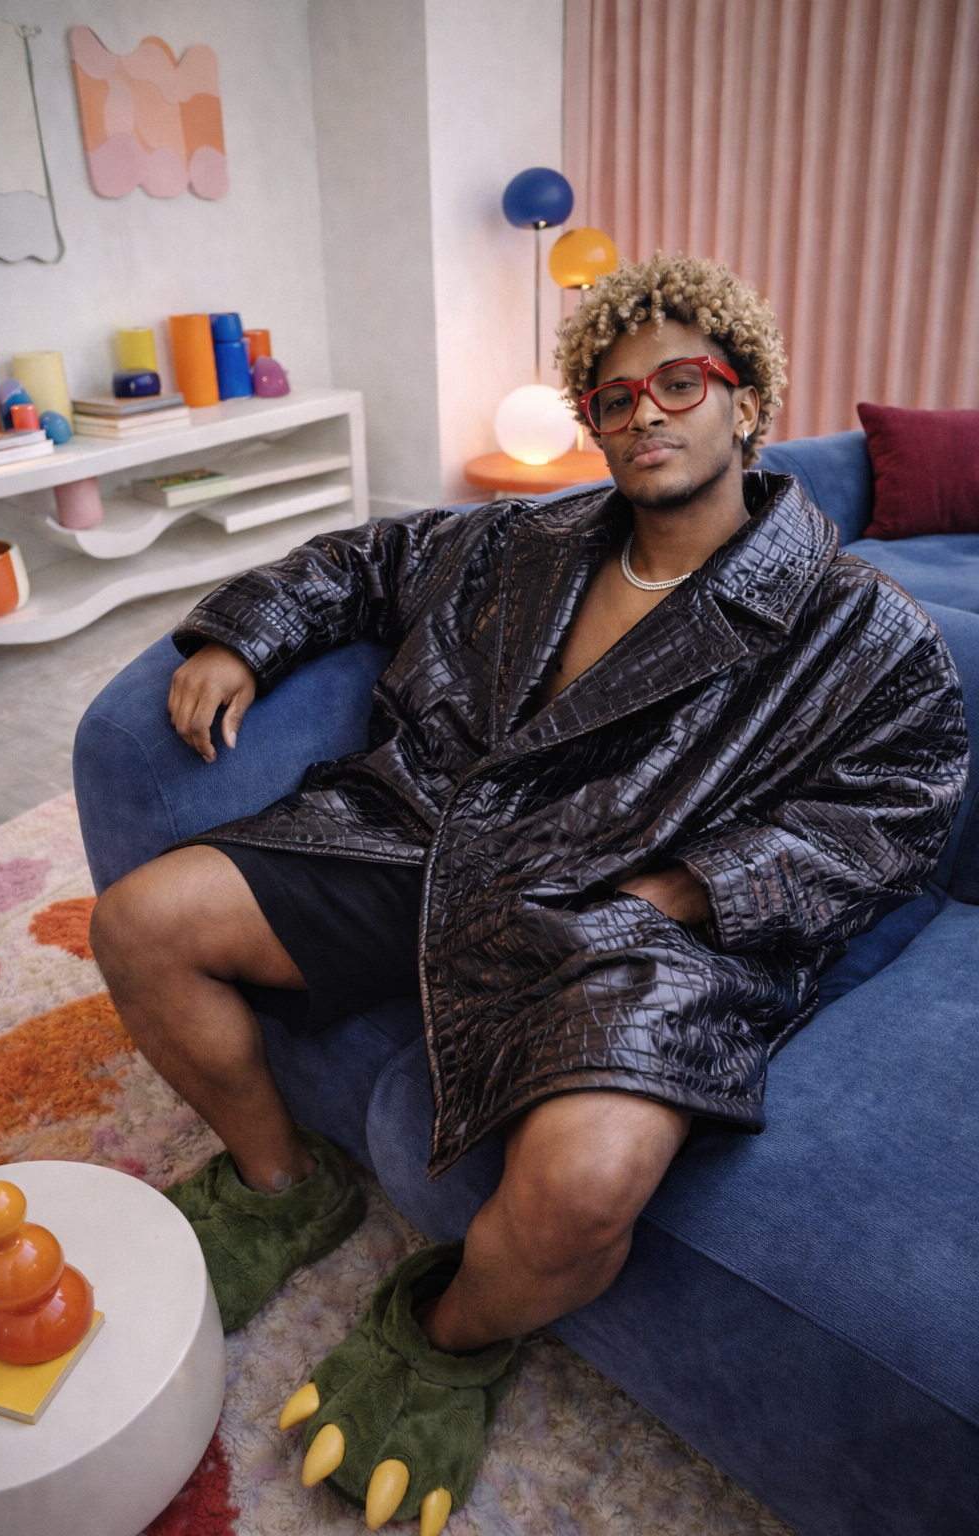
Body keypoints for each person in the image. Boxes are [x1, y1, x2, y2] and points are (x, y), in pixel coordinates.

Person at [90, 253, 967, 1533]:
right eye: (613, 400)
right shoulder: (521, 538)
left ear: (746, 401)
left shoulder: (858, 625)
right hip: (431, 834)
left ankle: (443, 1336)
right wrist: (242, 631)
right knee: (140, 923)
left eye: (681, 382)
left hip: (634, 912)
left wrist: (690, 889)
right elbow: (364, 560)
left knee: (585, 1183)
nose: (646, 414)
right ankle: (285, 1184)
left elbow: (896, 809)